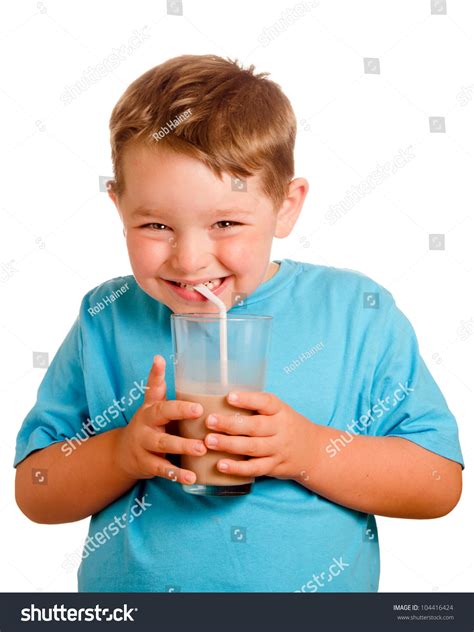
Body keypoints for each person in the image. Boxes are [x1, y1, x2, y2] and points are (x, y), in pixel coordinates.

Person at [14, 54, 463, 592]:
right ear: (118, 205)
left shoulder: (355, 312)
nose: (190, 259)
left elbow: (439, 484)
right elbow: (35, 489)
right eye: (156, 224)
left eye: (226, 223)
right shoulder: (106, 316)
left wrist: (309, 452)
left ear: (286, 205)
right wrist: (122, 453)